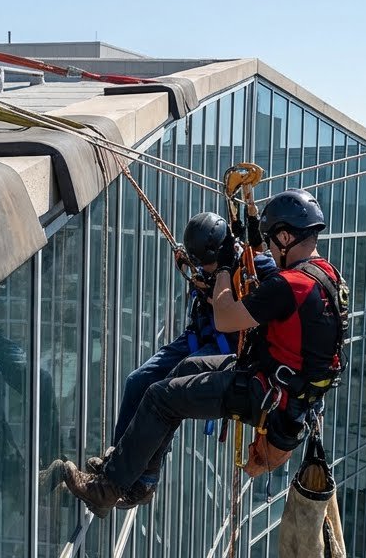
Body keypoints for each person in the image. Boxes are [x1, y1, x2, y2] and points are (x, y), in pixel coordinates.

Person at [63, 189, 347, 517]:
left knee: (160, 398)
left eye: (271, 240)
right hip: (278, 385)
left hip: (266, 392)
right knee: (182, 372)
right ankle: (139, 479)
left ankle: (108, 489)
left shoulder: (291, 285)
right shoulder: (327, 275)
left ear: (285, 237)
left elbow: (225, 319)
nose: (268, 247)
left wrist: (224, 268)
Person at [84, 211, 276, 509]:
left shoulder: (254, 265)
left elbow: (269, 294)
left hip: (229, 350)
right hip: (199, 337)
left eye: (205, 263)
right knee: (137, 381)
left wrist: (225, 292)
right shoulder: (204, 263)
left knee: (166, 392)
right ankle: (119, 462)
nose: (201, 268)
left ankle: (144, 481)